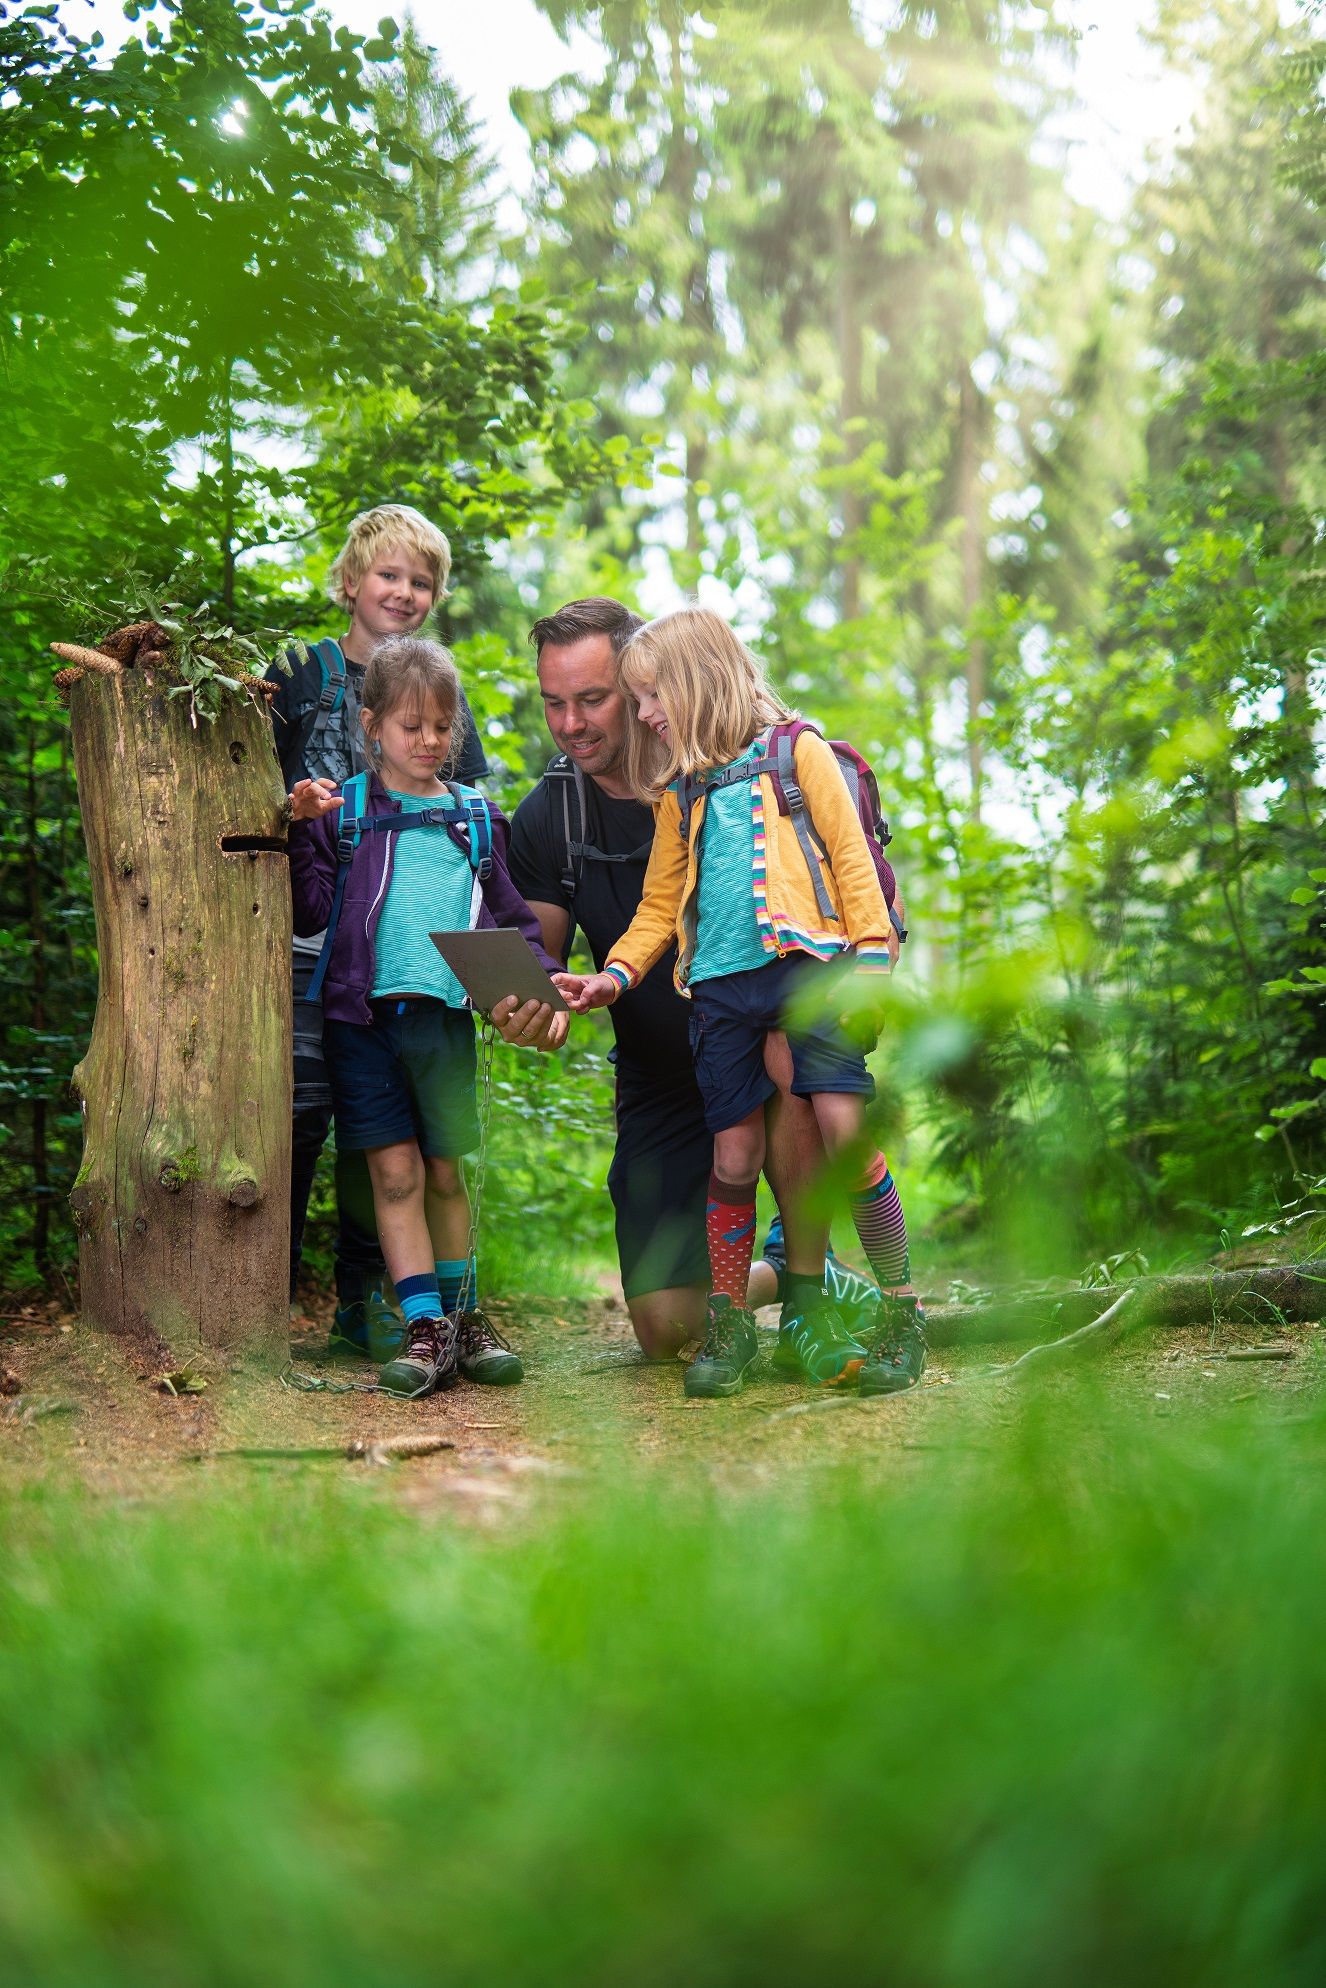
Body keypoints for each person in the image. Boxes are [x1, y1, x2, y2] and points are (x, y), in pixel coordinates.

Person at [560, 605, 926, 1401]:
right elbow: (660, 907)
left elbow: (854, 864)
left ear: (696, 681)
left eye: (652, 695)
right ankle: (729, 1325)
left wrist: (869, 964)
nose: (645, 714)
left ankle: (902, 1308)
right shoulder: (679, 792)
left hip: (810, 970)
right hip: (722, 990)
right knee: (734, 1155)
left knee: (841, 1129)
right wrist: (613, 976)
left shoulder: (799, 752)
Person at [288, 635, 565, 1397]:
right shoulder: (342, 812)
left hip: (445, 1023)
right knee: (396, 1171)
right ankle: (425, 1327)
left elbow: (512, 921)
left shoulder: (475, 817)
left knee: (445, 1172)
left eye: (443, 726)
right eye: (411, 727)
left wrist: (543, 991)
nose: (429, 741)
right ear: (371, 724)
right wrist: (299, 829)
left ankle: (465, 1315)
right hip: (361, 1024)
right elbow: (310, 906)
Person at [266, 504, 488, 1355]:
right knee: (300, 1116)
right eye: (388, 575)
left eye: (420, 580)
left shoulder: (433, 691)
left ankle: (368, 1300)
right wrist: (287, 814)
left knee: (383, 1134)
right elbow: (248, 776)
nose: (403, 591)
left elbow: (473, 814)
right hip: (305, 945)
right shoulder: (304, 675)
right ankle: (268, 1299)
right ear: (351, 582)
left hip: (399, 962)